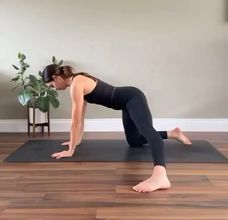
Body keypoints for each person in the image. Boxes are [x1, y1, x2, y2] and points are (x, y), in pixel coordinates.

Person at [42, 64, 192, 193]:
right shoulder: (77, 81)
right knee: (134, 140)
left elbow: (75, 122)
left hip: (132, 98)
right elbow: (80, 117)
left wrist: (70, 151)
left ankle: (161, 176)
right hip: (125, 104)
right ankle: (173, 133)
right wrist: (75, 141)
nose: (54, 88)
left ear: (56, 77)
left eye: (51, 85)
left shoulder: (76, 83)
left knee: (149, 133)